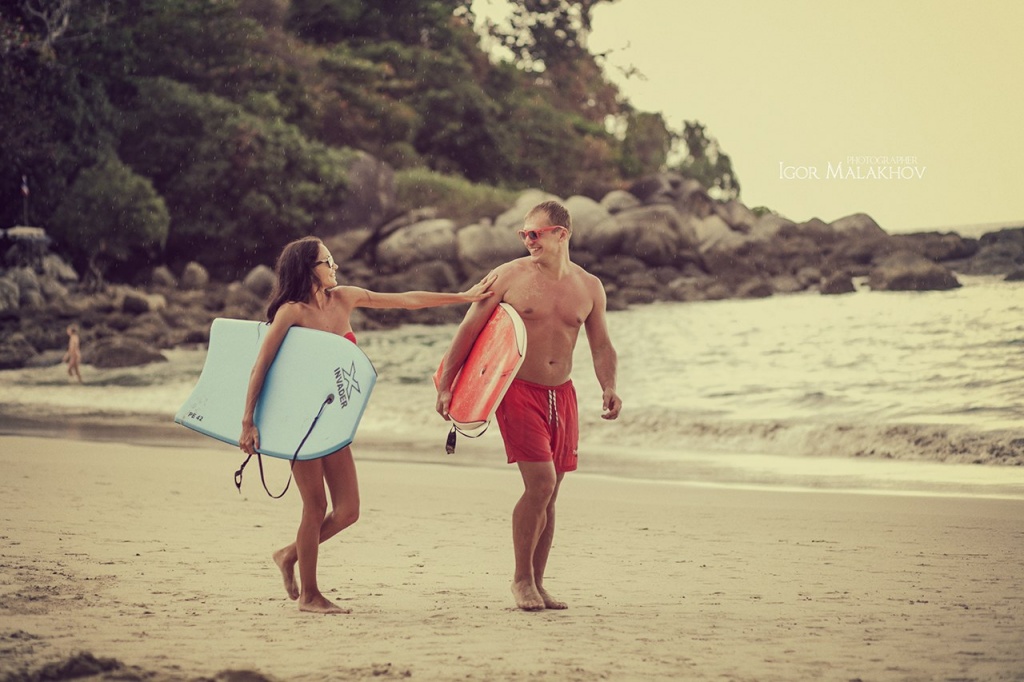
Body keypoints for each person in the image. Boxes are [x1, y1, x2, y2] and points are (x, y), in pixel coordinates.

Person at [240, 236, 495, 615]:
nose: (334, 267)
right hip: (300, 420)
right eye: (327, 262)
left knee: (348, 510)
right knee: (315, 506)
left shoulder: (345, 298)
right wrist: (248, 422)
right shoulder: (292, 312)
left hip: (333, 420)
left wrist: (463, 297)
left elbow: (406, 300)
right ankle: (310, 595)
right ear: (308, 268)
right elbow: (261, 365)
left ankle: (289, 555)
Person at [435, 200, 622, 611]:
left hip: (563, 395)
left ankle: (538, 582)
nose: (528, 241)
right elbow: (470, 328)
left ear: (561, 234)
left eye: (535, 233)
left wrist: (608, 385)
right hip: (518, 390)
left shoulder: (589, 287)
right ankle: (521, 580)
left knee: (550, 494)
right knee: (541, 484)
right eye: (524, 234)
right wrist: (448, 383)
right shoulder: (509, 276)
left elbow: (601, 344)